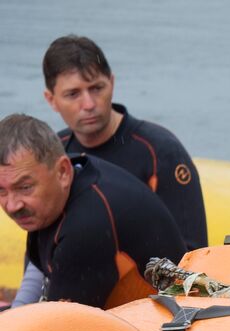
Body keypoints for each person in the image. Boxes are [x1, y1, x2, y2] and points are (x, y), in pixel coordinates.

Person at [0, 114, 185, 310]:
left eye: (25, 187)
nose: (12, 206)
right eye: (1, 190)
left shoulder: (86, 228)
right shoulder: (67, 178)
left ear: (63, 172)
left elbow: (59, 330)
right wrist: (16, 310)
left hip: (167, 327)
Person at [43, 35, 207, 251]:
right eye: (73, 94)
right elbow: (41, 245)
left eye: (96, 88)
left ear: (111, 83)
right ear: (51, 99)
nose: (89, 104)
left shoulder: (161, 152)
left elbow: (193, 254)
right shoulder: (54, 153)